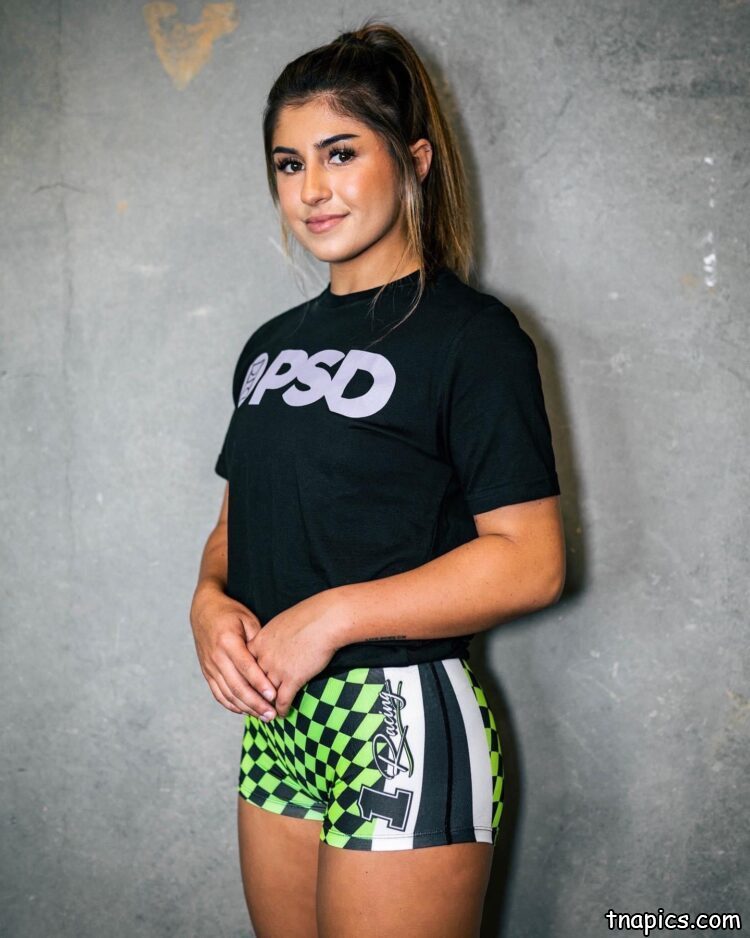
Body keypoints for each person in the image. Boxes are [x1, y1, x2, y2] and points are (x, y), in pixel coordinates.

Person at [189, 18, 565, 938]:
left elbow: (530, 561)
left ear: (414, 161)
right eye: (289, 164)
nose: (311, 189)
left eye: (341, 153)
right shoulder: (269, 348)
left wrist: (329, 617)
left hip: (398, 713)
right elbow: (238, 526)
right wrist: (206, 603)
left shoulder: (472, 337)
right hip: (279, 729)